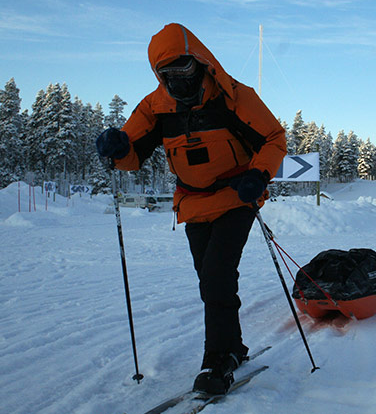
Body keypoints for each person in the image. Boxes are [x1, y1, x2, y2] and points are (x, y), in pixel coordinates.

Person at [96, 23, 286, 394]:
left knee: (216, 273)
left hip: (236, 197)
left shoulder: (233, 96)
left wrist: (259, 174)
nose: (176, 79)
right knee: (211, 279)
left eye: (183, 68)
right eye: (166, 73)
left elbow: (274, 137)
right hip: (193, 203)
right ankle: (233, 347)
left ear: (199, 61)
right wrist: (117, 148)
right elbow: (132, 154)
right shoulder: (155, 106)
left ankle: (216, 361)